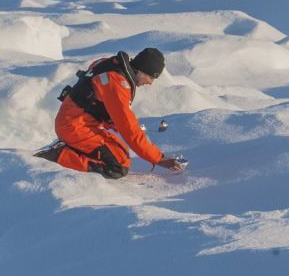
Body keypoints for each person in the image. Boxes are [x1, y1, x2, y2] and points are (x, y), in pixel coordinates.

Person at [34, 47, 185, 178]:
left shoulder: (110, 64)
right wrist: (159, 159)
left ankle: (67, 148)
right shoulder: (117, 84)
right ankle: (56, 155)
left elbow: (100, 104)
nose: (150, 82)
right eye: (151, 77)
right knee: (118, 165)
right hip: (75, 127)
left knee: (121, 153)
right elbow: (130, 131)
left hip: (75, 122)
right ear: (140, 69)